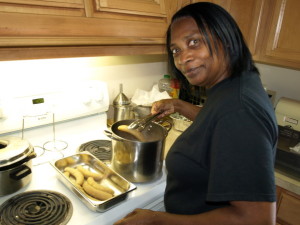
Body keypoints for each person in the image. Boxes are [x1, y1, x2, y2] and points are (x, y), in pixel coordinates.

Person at [114, 2, 278, 225]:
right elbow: (216, 120)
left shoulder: (240, 112)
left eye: (194, 42)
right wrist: (180, 106)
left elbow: (255, 219)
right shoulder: (235, 87)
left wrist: (156, 219)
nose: (183, 59)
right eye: (176, 50)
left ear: (226, 38)